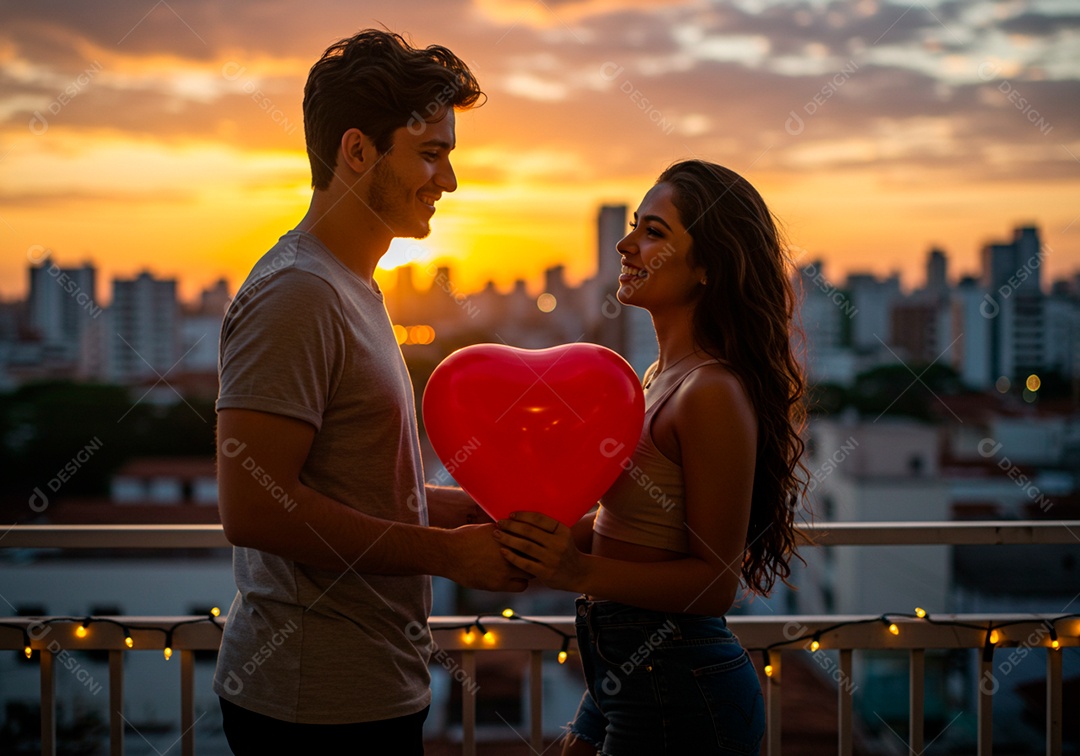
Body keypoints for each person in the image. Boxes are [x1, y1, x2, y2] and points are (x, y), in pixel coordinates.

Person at [212, 29, 527, 755]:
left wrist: (468, 511)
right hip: (311, 705)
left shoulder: (353, 284)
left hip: (370, 691)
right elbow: (255, 506)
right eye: (430, 154)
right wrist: (447, 555)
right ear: (357, 152)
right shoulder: (299, 292)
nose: (448, 182)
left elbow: (354, 484)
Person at [495, 160, 808, 755]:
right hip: (625, 670)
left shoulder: (710, 391)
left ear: (708, 268)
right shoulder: (658, 377)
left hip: (681, 681)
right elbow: (631, 529)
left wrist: (575, 572)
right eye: (635, 224)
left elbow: (715, 583)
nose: (625, 243)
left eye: (654, 232)